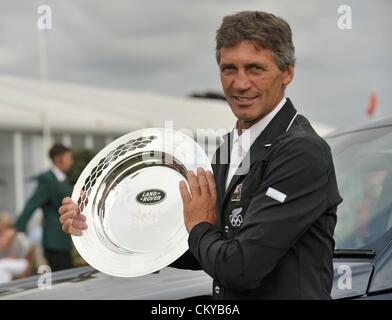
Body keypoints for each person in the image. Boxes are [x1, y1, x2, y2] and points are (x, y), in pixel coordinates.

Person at [58, 11, 342, 299]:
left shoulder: (302, 151)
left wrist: (198, 227)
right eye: (229, 68)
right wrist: (100, 228)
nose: (240, 84)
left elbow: (239, 268)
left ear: (287, 73)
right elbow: (205, 250)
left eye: (255, 68)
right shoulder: (229, 146)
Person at [15, 143, 74, 272]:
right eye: (69, 158)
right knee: (61, 281)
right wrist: (20, 228)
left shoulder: (62, 179)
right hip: (54, 241)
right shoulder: (48, 179)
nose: (71, 162)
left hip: (63, 240)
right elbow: (32, 203)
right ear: (59, 159)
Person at [0, 212, 30, 283]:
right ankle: (8, 289)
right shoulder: (2, 237)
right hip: (7, 263)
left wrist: (10, 241)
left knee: (2, 265)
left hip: (21, 263)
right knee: (4, 268)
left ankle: (3, 290)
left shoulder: (19, 236)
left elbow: (26, 253)